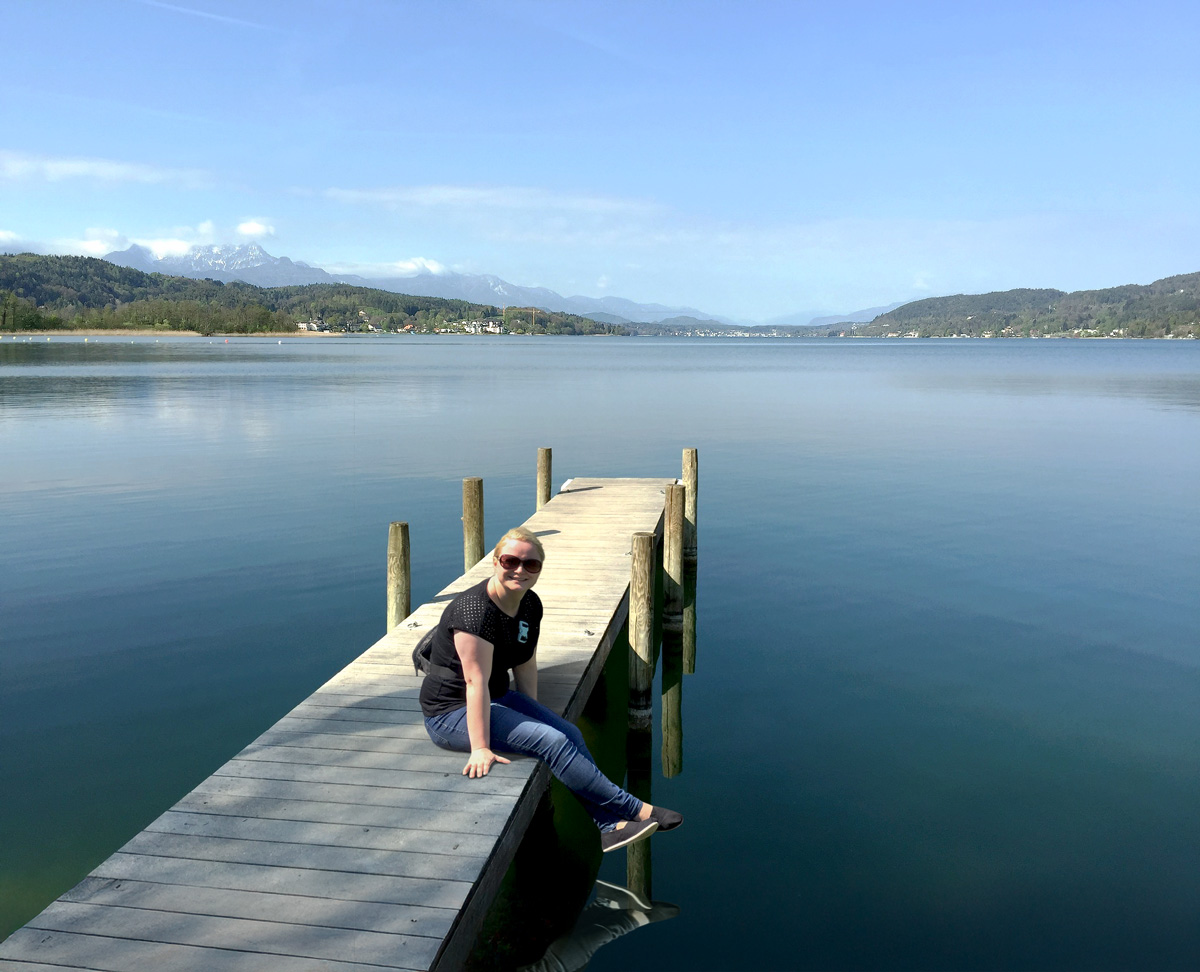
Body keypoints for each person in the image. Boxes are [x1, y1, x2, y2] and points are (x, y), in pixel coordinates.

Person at [420, 526, 682, 852]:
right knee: (552, 741)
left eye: (531, 564)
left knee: (568, 732)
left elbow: (525, 660)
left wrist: (533, 712)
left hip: (498, 696)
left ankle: (609, 826)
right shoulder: (475, 611)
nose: (520, 570)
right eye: (510, 561)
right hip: (451, 713)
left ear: (540, 569)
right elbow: (474, 683)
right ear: (495, 562)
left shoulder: (529, 604)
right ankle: (636, 809)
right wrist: (480, 748)